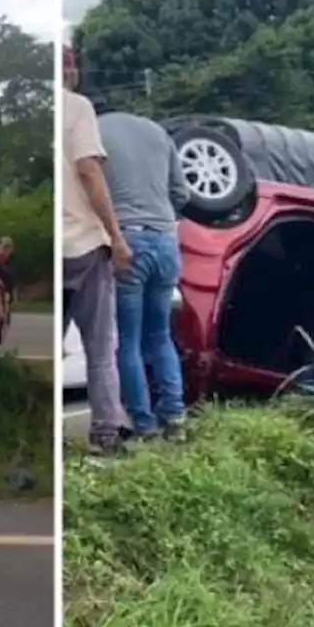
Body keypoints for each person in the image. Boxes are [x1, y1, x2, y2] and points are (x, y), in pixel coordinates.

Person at [97, 110, 192, 442]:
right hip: (166, 240)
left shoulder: (94, 130)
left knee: (129, 340)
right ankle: (175, 417)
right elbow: (182, 193)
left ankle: (144, 424)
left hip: (127, 241)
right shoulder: (159, 132)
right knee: (161, 334)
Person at [60, 45, 133, 457]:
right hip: (83, 243)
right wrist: (116, 236)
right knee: (100, 346)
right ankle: (107, 432)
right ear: (71, 73)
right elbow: (88, 169)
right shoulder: (76, 107)